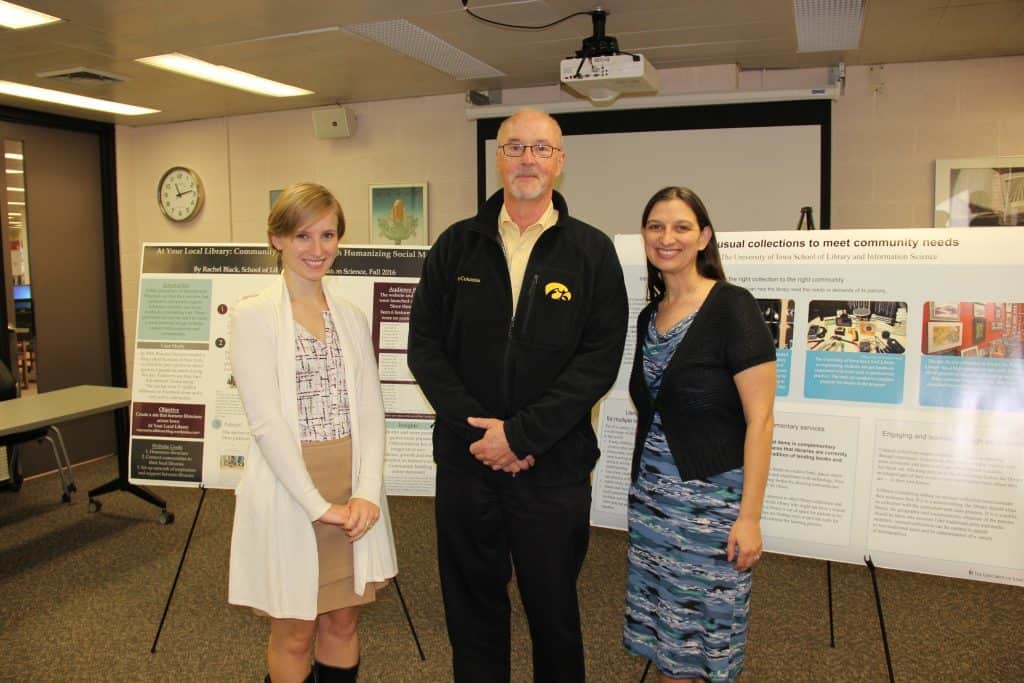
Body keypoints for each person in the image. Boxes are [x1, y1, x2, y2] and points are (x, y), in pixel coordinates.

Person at [407, 109, 628, 682]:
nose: (528, 159)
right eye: (515, 148)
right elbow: (425, 348)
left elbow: (598, 360)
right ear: (498, 157)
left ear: (559, 160)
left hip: (551, 467)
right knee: (472, 607)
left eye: (541, 148)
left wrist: (522, 435)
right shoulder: (456, 246)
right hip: (467, 462)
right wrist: (480, 434)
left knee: (553, 611)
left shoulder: (592, 253)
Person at [228, 182, 398, 683]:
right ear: (277, 239)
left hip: (351, 486)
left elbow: (370, 409)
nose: (317, 250)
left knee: (343, 619)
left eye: (328, 235)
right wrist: (316, 505)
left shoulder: (348, 315)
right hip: (291, 488)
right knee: (295, 630)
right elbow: (266, 423)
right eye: (303, 235)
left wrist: (366, 492)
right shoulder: (254, 314)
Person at [622, 186, 777, 683]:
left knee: (701, 645)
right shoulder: (650, 315)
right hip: (652, 505)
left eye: (681, 227)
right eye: (656, 226)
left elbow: (761, 419)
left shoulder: (733, 306)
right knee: (668, 642)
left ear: (704, 237)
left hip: (710, 511)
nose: (667, 238)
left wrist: (749, 517)